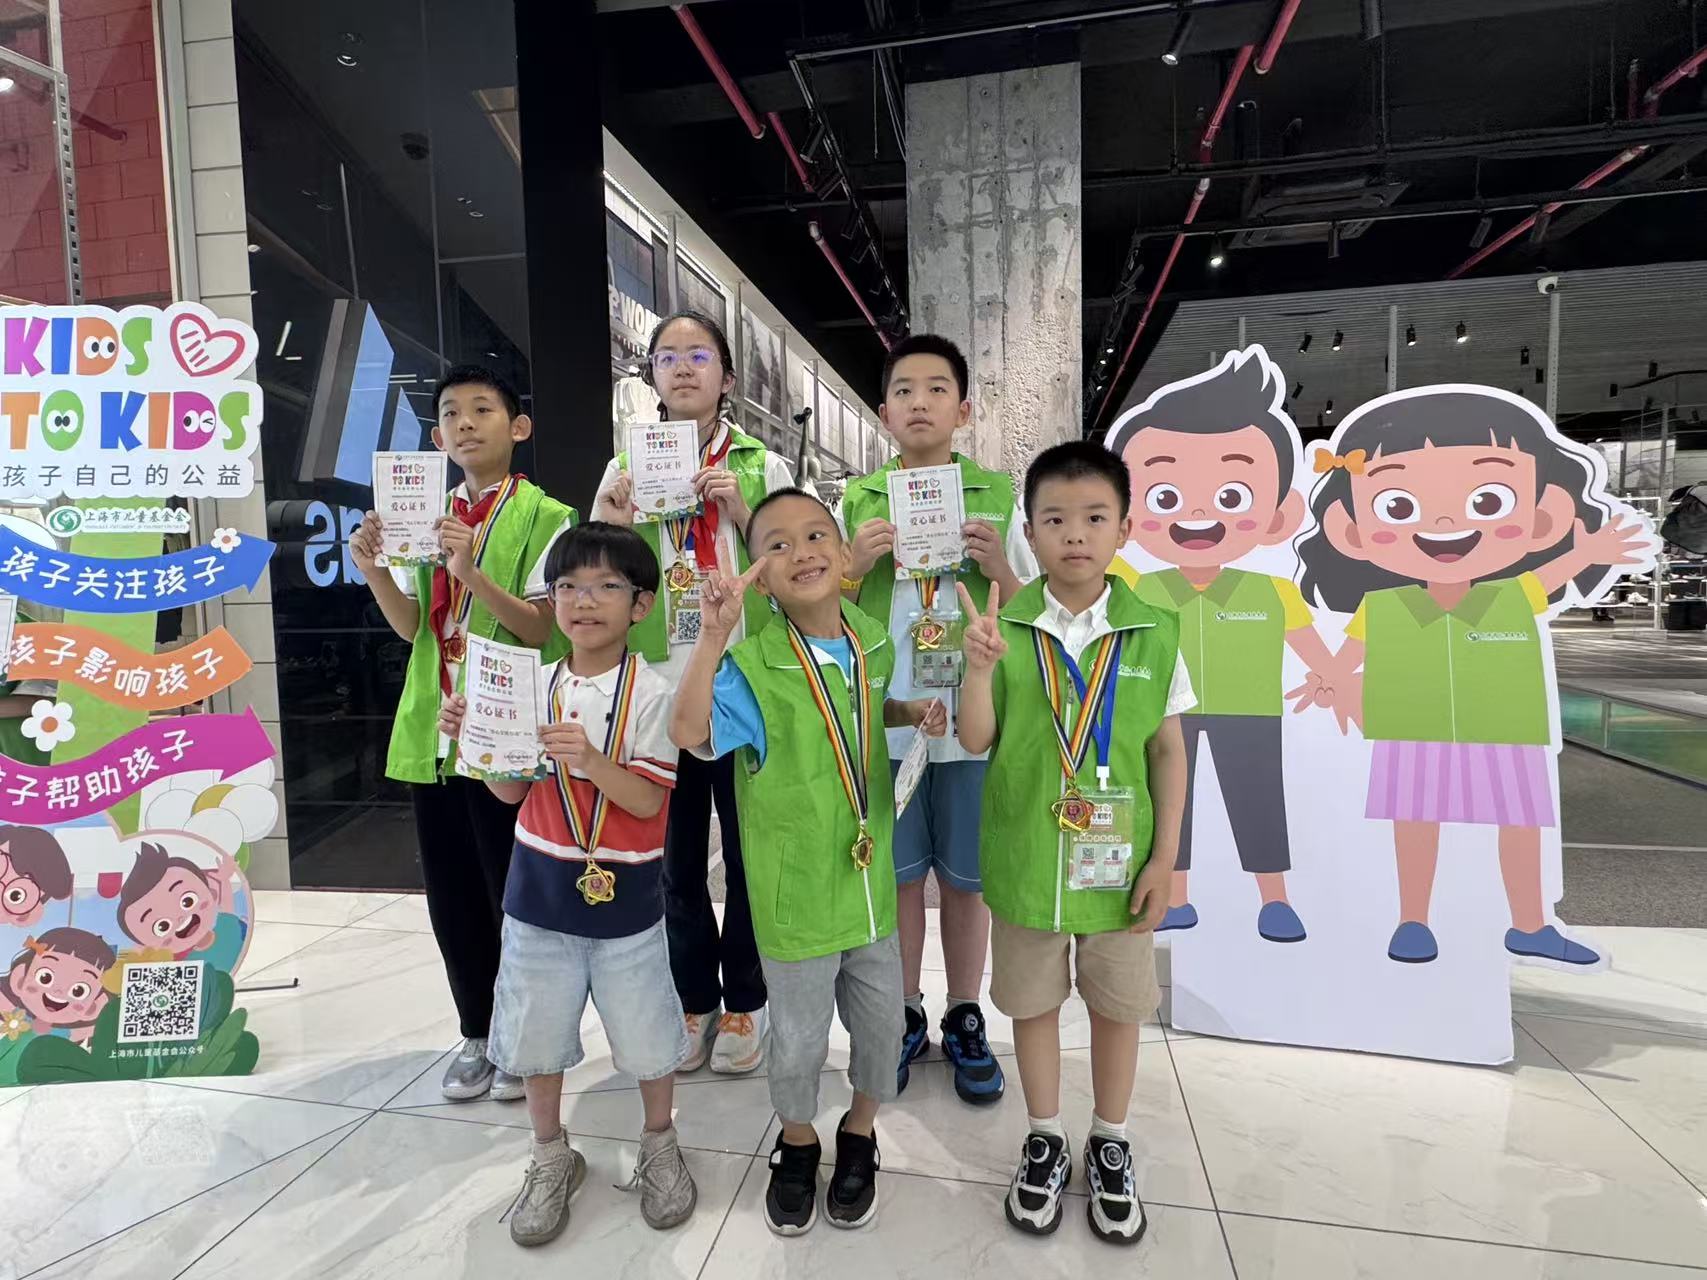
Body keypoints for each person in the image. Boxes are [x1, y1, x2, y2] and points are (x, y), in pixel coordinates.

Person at [669, 488, 947, 1235]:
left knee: (882, 1028)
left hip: (870, 889)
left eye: (817, 534)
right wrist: (711, 637)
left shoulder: (870, 640)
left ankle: (859, 1130)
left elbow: (864, 711)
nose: (803, 551)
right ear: (758, 572)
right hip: (795, 901)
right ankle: (797, 1141)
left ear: (844, 551)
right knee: (795, 1041)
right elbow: (688, 731)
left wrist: (906, 712)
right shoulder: (752, 667)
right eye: (778, 544)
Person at [1296, 387, 1649, 965]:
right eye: (1398, 507)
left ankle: (1529, 923)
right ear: (1350, 530)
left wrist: (1590, 551)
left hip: (1504, 728)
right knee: (1416, 823)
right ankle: (1413, 920)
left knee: (1518, 823)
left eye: (1487, 500)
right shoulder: (1382, 607)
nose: (1443, 523)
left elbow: (1556, 572)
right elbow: (1346, 656)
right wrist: (1327, 679)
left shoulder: (1513, 595)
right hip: (1410, 729)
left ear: (1542, 517)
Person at [956, 441, 1192, 1246]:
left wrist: (1164, 858)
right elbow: (976, 737)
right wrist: (977, 671)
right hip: (1026, 859)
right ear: (1029, 532)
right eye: (1054, 520)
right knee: (1031, 1003)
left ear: (1124, 528)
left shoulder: (1154, 632)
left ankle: (1110, 1140)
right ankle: (1045, 1135)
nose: (1074, 535)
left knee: (1118, 1007)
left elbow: (1167, 751)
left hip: (1120, 868)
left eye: (1094, 518)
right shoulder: (1004, 627)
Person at [438, 522, 695, 1247]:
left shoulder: (655, 694)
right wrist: (477, 739)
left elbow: (647, 800)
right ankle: (550, 1154)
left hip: (629, 902)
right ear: (550, 601)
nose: (585, 600)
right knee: (536, 1034)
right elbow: (509, 795)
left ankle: (659, 1142)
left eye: (607, 586)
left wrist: (589, 760)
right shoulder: (533, 687)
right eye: (569, 586)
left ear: (641, 604)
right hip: (537, 899)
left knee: (647, 1035)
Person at [351, 364, 577, 1102]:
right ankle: (477, 1030)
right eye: (451, 413)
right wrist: (375, 569)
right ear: (436, 437)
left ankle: (524, 1039)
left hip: (509, 731)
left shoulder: (549, 517)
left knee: (515, 893)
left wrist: (472, 572)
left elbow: (544, 627)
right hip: (435, 728)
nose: (466, 423)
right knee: (451, 894)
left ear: (519, 427)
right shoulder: (420, 512)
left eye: (483, 409)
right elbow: (414, 627)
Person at [592, 311, 794, 1075]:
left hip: (742, 686)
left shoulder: (762, 466)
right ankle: (692, 998)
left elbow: (798, 573)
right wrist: (611, 522)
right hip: (656, 692)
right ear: (650, 375)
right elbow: (595, 581)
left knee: (746, 854)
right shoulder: (623, 468)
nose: (682, 367)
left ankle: (744, 999)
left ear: (726, 377)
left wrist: (742, 512)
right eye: (667, 356)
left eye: (699, 355)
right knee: (672, 861)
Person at [839, 334, 1036, 1102]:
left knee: (964, 881)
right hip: (886, 719)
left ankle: (962, 1011)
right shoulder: (858, 501)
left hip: (970, 721)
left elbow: (1033, 611)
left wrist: (1000, 568)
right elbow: (823, 605)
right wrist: (853, 564)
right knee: (896, 880)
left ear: (964, 409)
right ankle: (902, 1011)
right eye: (903, 391)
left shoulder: (996, 497)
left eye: (935, 389)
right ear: (883, 411)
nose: (918, 402)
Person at [1104, 349, 1333, 942]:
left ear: (1280, 515)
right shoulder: (1139, 586)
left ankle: (1274, 899)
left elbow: (1311, 646)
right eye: (1166, 497)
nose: (1199, 512)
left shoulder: (1273, 591)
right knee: (1171, 804)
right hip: (1163, 713)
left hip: (1251, 711)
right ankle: (1176, 896)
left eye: (1232, 496)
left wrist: (1334, 677)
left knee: (1258, 801)